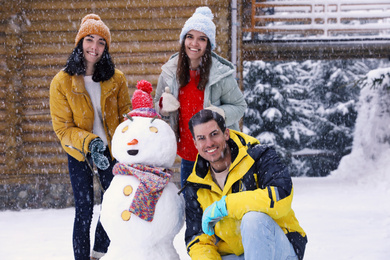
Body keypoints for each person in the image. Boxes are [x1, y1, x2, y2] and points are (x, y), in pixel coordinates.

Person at [49, 14, 131, 260]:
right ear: (80, 43)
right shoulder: (61, 82)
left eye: (101, 42)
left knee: (113, 205)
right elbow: (63, 129)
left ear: (106, 48)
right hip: (79, 151)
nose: (94, 47)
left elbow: (126, 116)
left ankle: (98, 252)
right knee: (84, 210)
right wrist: (90, 142)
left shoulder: (116, 79)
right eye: (89, 40)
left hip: (110, 151)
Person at [184, 109, 308, 260]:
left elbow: (280, 198)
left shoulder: (259, 156)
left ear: (226, 134)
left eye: (214, 134)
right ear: (195, 143)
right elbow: (198, 240)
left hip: (280, 249)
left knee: (253, 219)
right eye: (201, 138)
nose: (209, 143)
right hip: (236, 255)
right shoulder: (195, 184)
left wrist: (226, 206)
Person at [154, 6, 247, 190]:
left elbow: (240, 106)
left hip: (218, 155)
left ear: (208, 44)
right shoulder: (169, 72)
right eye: (190, 37)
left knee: (220, 214)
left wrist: (220, 113)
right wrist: (163, 106)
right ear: (183, 40)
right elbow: (155, 105)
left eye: (201, 39)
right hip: (188, 156)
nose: (194, 43)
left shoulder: (220, 75)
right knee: (194, 215)